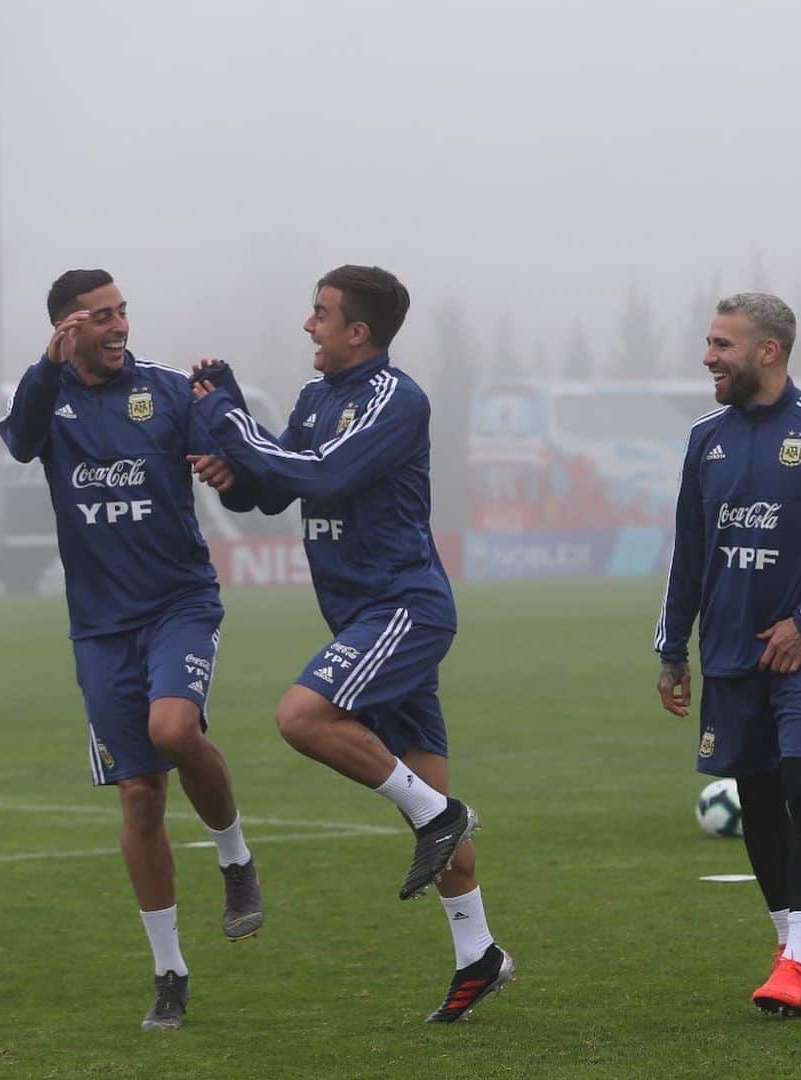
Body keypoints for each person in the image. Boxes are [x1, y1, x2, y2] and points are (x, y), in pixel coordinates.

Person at [189, 264, 515, 1023]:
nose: (309, 325)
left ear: (357, 331)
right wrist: (230, 472)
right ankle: (480, 956)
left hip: (403, 608)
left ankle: (441, 817)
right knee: (427, 805)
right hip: (365, 619)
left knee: (302, 717)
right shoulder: (317, 397)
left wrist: (231, 423)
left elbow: (328, 476)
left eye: (320, 314)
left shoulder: (397, 399)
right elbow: (275, 487)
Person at [0, 269, 264, 1032]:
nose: (119, 328)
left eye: (123, 313)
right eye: (102, 318)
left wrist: (228, 462)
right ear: (67, 329)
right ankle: (170, 973)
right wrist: (45, 371)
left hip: (179, 604)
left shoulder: (167, 391)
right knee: (140, 797)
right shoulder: (49, 397)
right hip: (100, 627)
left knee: (175, 731)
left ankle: (236, 859)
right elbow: (19, 443)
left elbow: (241, 472)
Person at [654, 293, 801, 1017]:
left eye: (722, 344)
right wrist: (672, 648)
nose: (708, 357)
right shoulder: (706, 437)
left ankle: (791, 963)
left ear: (769, 350)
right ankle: (796, 939)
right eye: (709, 342)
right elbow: (689, 550)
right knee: (757, 797)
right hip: (728, 652)